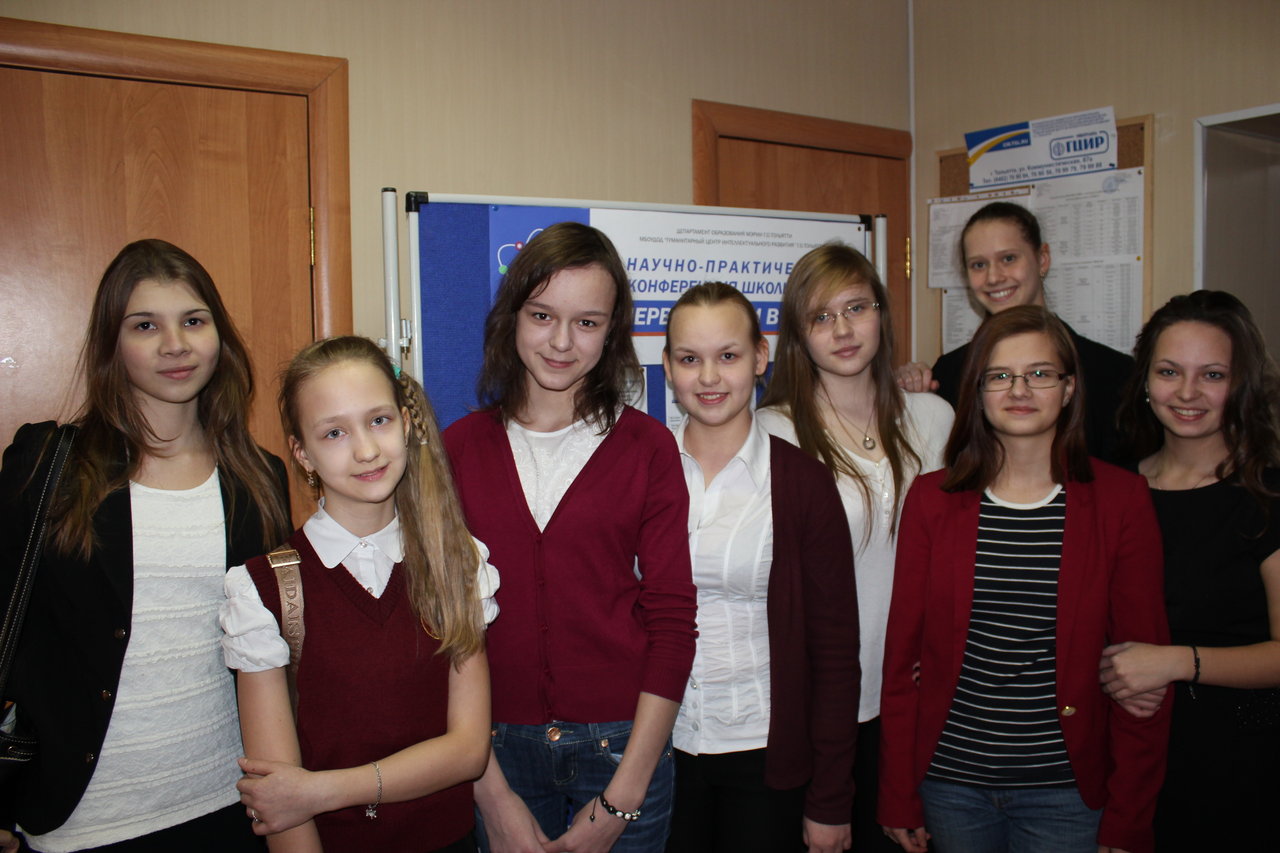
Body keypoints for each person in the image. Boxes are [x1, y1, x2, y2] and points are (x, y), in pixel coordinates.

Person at [0, 239, 291, 852]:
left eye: (193, 321)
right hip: (85, 821)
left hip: (231, 807)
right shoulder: (48, 464)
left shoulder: (259, 477)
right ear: (112, 344)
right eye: (145, 326)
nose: (175, 345)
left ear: (219, 336)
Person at [442, 222, 696, 853]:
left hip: (624, 747)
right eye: (542, 316)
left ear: (612, 331)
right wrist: (490, 794)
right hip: (494, 749)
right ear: (511, 317)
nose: (561, 342)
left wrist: (624, 795)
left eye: (586, 322)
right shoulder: (460, 448)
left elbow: (672, 619)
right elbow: (442, 622)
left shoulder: (648, 447)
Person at [878, 305, 1171, 853]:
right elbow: (901, 662)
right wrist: (898, 794)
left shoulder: (1120, 501)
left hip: (1066, 792)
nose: (1019, 389)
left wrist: (1130, 817)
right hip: (952, 783)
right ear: (978, 391)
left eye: (1039, 373)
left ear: (1069, 388)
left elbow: (1143, 676)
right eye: (999, 375)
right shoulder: (932, 500)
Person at [221, 335, 497, 852]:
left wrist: (321, 790)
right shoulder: (263, 591)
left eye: (379, 420)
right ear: (301, 453)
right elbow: (280, 801)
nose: (366, 450)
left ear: (406, 423)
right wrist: (301, 797)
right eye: (334, 433)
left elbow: (467, 751)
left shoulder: (458, 564)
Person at [755, 242, 952, 853]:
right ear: (798, 336)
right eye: (821, 316)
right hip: (823, 698)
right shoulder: (774, 432)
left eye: (856, 308)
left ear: (881, 314)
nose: (842, 330)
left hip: (919, 691)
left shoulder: (934, 417)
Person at [660, 283, 859, 853]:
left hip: (765, 755)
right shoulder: (641, 470)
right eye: (689, 359)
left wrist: (830, 799)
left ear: (760, 357)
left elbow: (835, 654)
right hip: (658, 751)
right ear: (667, 367)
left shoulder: (803, 483)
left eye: (728, 355)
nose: (709, 377)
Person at [1099, 291, 1280, 850]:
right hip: (1119, 759)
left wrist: (1177, 661)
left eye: (1213, 375)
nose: (1186, 393)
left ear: (1242, 385)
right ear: (1145, 381)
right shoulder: (1110, 487)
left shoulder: (1266, 496)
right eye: (1169, 371)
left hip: (1235, 770)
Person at [897, 202, 1133, 464]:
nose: (993, 277)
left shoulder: (1114, 374)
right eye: (978, 265)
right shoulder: (950, 373)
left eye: (1008, 259)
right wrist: (911, 395)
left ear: (1042, 259)